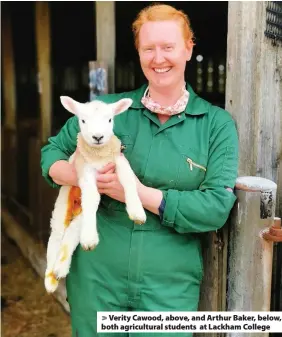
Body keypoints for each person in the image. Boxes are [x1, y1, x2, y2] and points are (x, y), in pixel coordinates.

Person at [41, 4, 238, 336]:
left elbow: (216, 207)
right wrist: (84, 176)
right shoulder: (110, 110)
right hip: (97, 277)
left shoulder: (215, 125)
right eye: (149, 49)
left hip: (168, 285)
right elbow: (52, 153)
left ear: (189, 48)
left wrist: (139, 194)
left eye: (168, 47)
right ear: (139, 53)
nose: (158, 58)